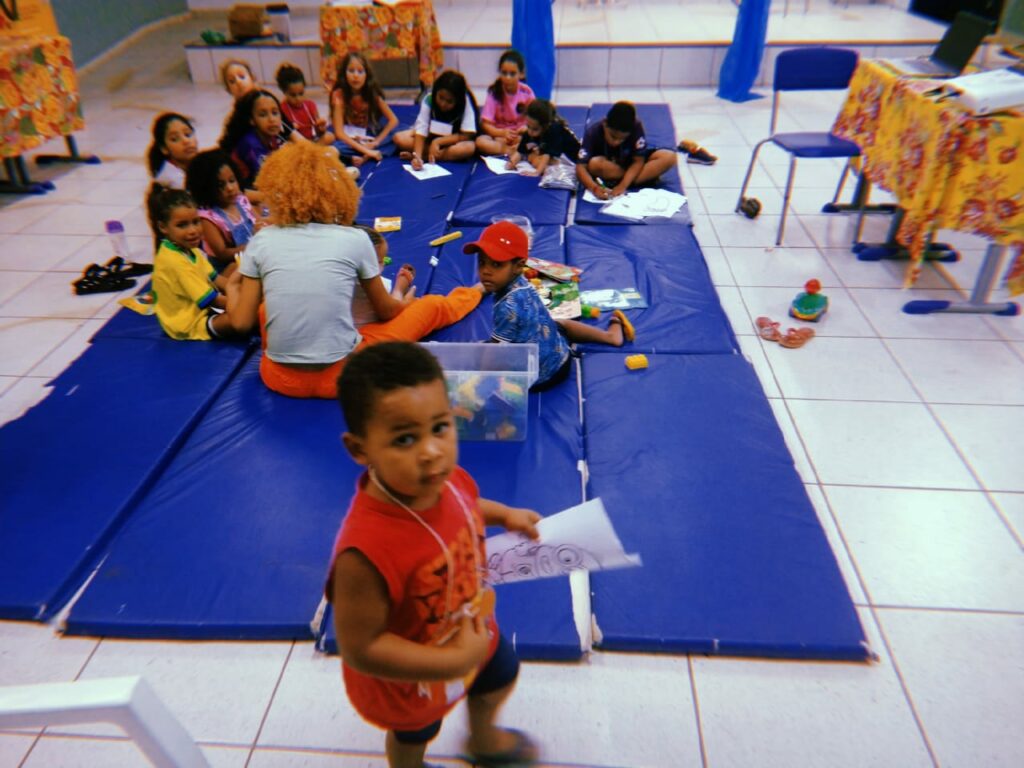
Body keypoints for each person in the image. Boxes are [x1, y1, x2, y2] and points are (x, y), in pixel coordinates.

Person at [327, 340, 542, 768]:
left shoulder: (447, 479)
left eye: (440, 427)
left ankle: (483, 740)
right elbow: (361, 648)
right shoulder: (362, 553)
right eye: (405, 438)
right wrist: (451, 661)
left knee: (499, 678)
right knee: (416, 733)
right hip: (412, 671)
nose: (431, 452)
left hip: (471, 626)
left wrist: (505, 515)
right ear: (359, 449)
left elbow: (466, 505)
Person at [224, 142, 480, 399]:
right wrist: (406, 302)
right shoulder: (354, 238)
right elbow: (386, 311)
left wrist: (233, 289)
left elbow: (242, 323)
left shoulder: (262, 240)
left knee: (266, 307)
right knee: (431, 306)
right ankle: (477, 291)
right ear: (338, 193)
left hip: (278, 378)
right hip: (345, 376)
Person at [465, 221, 634, 390]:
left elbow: (495, 352)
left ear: (518, 266)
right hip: (559, 352)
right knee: (561, 324)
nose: (485, 271)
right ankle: (609, 337)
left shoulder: (507, 307)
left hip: (541, 376)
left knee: (485, 356)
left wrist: (477, 381)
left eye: (496, 264)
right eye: (482, 262)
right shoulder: (519, 281)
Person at [146, 184, 241, 341]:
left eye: (196, 222)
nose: (193, 231)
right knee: (241, 320)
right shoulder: (175, 262)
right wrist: (245, 304)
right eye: (182, 225)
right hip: (190, 324)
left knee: (235, 268)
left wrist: (243, 293)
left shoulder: (189, 249)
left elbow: (216, 279)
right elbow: (212, 300)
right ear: (163, 227)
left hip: (202, 306)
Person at [350, 224, 484, 333]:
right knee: (432, 306)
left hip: (341, 335)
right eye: (380, 261)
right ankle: (476, 291)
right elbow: (389, 312)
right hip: (367, 337)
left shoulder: (342, 271)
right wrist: (403, 293)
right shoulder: (371, 281)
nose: (383, 264)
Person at [576, 101, 677, 201]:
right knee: (594, 164)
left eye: (622, 139)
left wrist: (623, 185)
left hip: (631, 164)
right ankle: (644, 178)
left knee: (669, 157)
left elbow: (638, 161)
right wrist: (594, 188)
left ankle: (620, 181)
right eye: (613, 137)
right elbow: (580, 167)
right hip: (610, 167)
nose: (616, 142)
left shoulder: (636, 126)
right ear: (604, 123)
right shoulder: (593, 132)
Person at [185, 149, 256, 272]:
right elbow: (222, 253)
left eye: (232, 180)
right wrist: (251, 247)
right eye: (221, 185)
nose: (230, 188)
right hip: (227, 267)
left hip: (251, 255)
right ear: (205, 189)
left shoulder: (241, 200)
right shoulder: (207, 218)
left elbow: (257, 220)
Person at [394, 70, 478, 170]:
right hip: (430, 137)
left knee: (469, 148)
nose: (443, 104)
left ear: (458, 100)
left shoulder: (465, 103)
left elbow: (467, 135)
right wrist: (417, 157)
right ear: (436, 92)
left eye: (449, 101)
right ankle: (429, 155)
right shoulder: (429, 99)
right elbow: (421, 130)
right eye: (441, 98)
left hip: (452, 142)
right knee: (399, 138)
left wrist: (438, 142)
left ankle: (428, 156)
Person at [330, 52, 399, 164]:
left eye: (360, 71)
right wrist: (367, 151)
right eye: (351, 71)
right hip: (350, 138)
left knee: (395, 137)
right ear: (344, 73)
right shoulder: (339, 95)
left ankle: (362, 157)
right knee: (335, 148)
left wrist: (376, 142)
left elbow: (393, 120)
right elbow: (339, 133)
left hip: (369, 135)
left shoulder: (372, 93)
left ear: (367, 75)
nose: (355, 76)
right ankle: (367, 154)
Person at [219, 89, 288, 188]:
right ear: (251, 120)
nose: (272, 119)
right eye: (263, 115)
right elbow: (266, 180)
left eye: (275, 113)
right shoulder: (250, 144)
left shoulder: (273, 138)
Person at [475, 49, 534, 157]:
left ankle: (517, 149)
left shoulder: (527, 92)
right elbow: (486, 124)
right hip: (499, 137)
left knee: (535, 141)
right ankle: (510, 151)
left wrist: (525, 129)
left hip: (520, 137)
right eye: (504, 73)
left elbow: (535, 120)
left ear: (521, 74)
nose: (507, 78)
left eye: (512, 74)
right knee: (480, 142)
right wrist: (502, 133)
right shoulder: (494, 92)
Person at [506, 98, 580, 177]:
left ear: (545, 126)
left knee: (536, 160)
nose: (530, 131)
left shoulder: (554, 129)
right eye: (528, 126)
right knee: (521, 152)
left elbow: (546, 155)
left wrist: (536, 172)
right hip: (554, 154)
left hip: (571, 159)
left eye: (535, 129)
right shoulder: (532, 129)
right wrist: (511, 162)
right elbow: (521, 151)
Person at [275, 62, 336, 145]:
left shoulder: (310, 105)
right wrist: (291, 131)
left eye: (301, 93)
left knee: (330, 136)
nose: (298, 99)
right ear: (284, 92)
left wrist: (321, 128)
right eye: (293, 95)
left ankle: (311, 149)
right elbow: (281, 137)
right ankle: (313, 150)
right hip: (296, 144)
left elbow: (318, 133)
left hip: (311, 141)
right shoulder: (282, 109)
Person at [147, 113, 198, 188]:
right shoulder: (171, 180)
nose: (186, 141)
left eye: (187, 134)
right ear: (164, 148)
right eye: (174, 139)